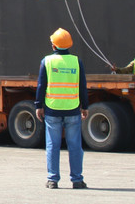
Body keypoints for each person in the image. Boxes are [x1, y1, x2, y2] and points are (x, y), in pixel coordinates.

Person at [35, 28, 88, 190]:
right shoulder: (77, 62)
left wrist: (38, 105)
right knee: (75, 146)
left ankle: (52, 180)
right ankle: (77, 180)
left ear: (54, 45)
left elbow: (41, 85)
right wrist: (85, 106)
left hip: (53, 109)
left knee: (53, 146)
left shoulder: (47, 61)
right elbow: (82, 86)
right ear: (69, 44)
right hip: (72, 109)